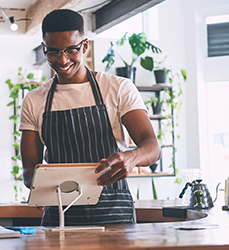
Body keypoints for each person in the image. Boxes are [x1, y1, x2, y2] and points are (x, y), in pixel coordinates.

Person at [20, 9, 161, 226]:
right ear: (44, 49)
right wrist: (39, 185)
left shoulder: (118, 88)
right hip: (60, 218)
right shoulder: (34, 100)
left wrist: (131, 158)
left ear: (85, 46)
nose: (62, 59)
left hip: (114, 216)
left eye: (71, 50)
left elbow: (152, 147)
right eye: (53, 52)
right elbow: (29, 168)